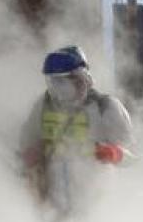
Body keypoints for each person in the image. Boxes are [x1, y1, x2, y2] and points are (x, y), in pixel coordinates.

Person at [20, 46, 133, 211]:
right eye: (52, 81)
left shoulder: (105, 107)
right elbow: (26, 146)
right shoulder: (43, 106)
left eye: (62, 81)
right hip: (51, 204)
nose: (57, 88)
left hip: (97, 204)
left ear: (81, 78)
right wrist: (30, 154)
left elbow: (134, 160)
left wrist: (114, 153)